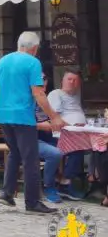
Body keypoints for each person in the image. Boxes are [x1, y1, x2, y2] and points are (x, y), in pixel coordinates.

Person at [0, 30, 65, 214]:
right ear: (35, 48)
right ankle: (32, 202)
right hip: (22, 116)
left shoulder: (3, 60)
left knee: (15, 153)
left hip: (3, 115)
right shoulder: (33, 63)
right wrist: (54, 117)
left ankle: (6, 193)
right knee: (31, 159)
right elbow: (38, 93)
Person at [47, 72, 90, 201]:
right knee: (78, 149)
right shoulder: (56, 94)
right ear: (62, 81)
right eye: (69, 79)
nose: (72, 82)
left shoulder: (76, 96)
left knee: (98, 146)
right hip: (60, 134)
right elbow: (55, 117)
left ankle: (94, 178)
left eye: (75, 80)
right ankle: (65, 183)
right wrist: (72, 125)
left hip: (77, 133)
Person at [36, 71, 65, 204]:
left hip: (47, 137)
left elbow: (52, 119)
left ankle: (65, 184)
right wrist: (45, 126)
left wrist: (69, 125)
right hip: (31, 140)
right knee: (55, 154)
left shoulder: (44, 100)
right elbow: (24, 125)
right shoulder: (25, 101)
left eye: (46, 87)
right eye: (42, 87)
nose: (44, 90)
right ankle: (49, 187)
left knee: (70, 148)